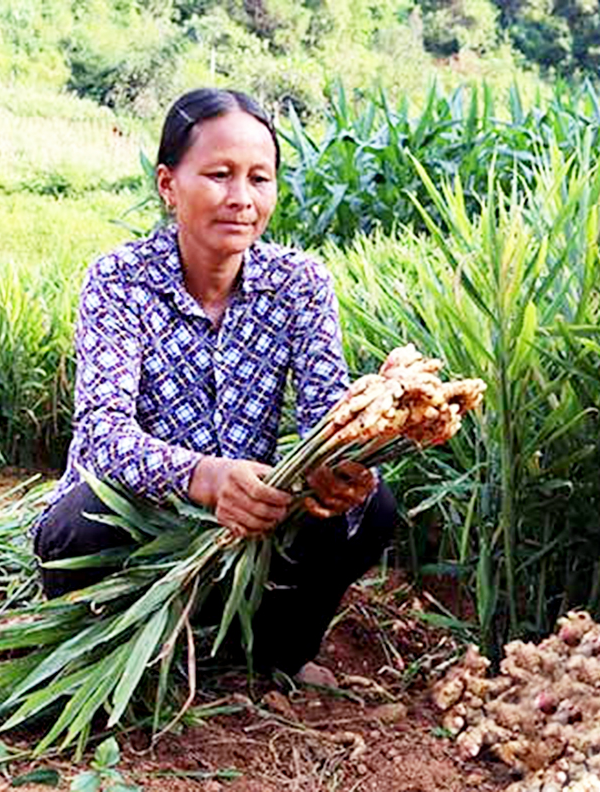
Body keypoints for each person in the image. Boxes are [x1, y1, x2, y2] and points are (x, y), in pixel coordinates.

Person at [31, 88, 395, 682]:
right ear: (169, 184)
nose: (241, 199)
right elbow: (103, 436)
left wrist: (343, 470)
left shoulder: (300, 284)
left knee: (371, 508)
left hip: (246, 529)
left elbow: (325, 417)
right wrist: (207, 477)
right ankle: (121, 656)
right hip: (138, 527)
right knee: (78, 521)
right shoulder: (120, 280)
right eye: (219, 175)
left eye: (260, 178)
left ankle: (275, 652)